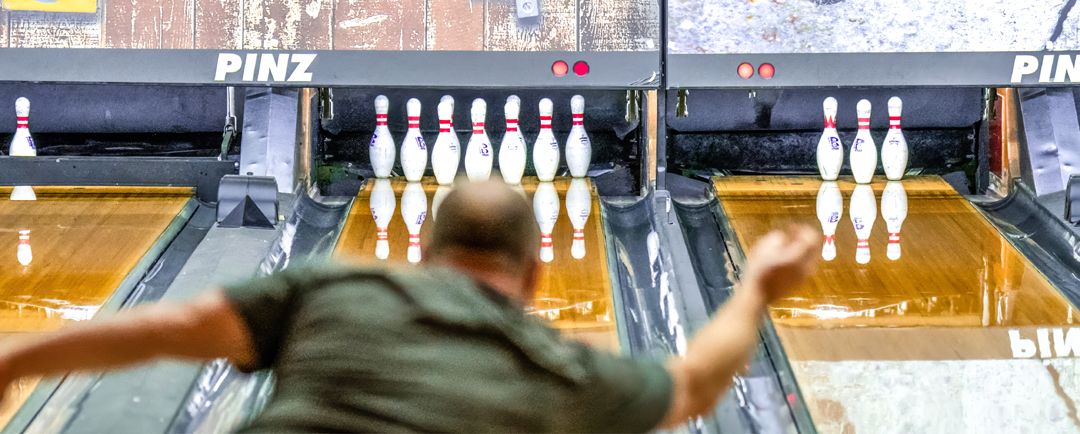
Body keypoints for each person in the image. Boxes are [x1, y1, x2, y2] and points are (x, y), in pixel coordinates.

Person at [0, 180, 819, 432]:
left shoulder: (335, 287)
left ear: (422, 253)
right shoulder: (561, 371)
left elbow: (170, 329)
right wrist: (753, 286)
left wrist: (15, 359)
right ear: (535, 278)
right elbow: (696, 386)